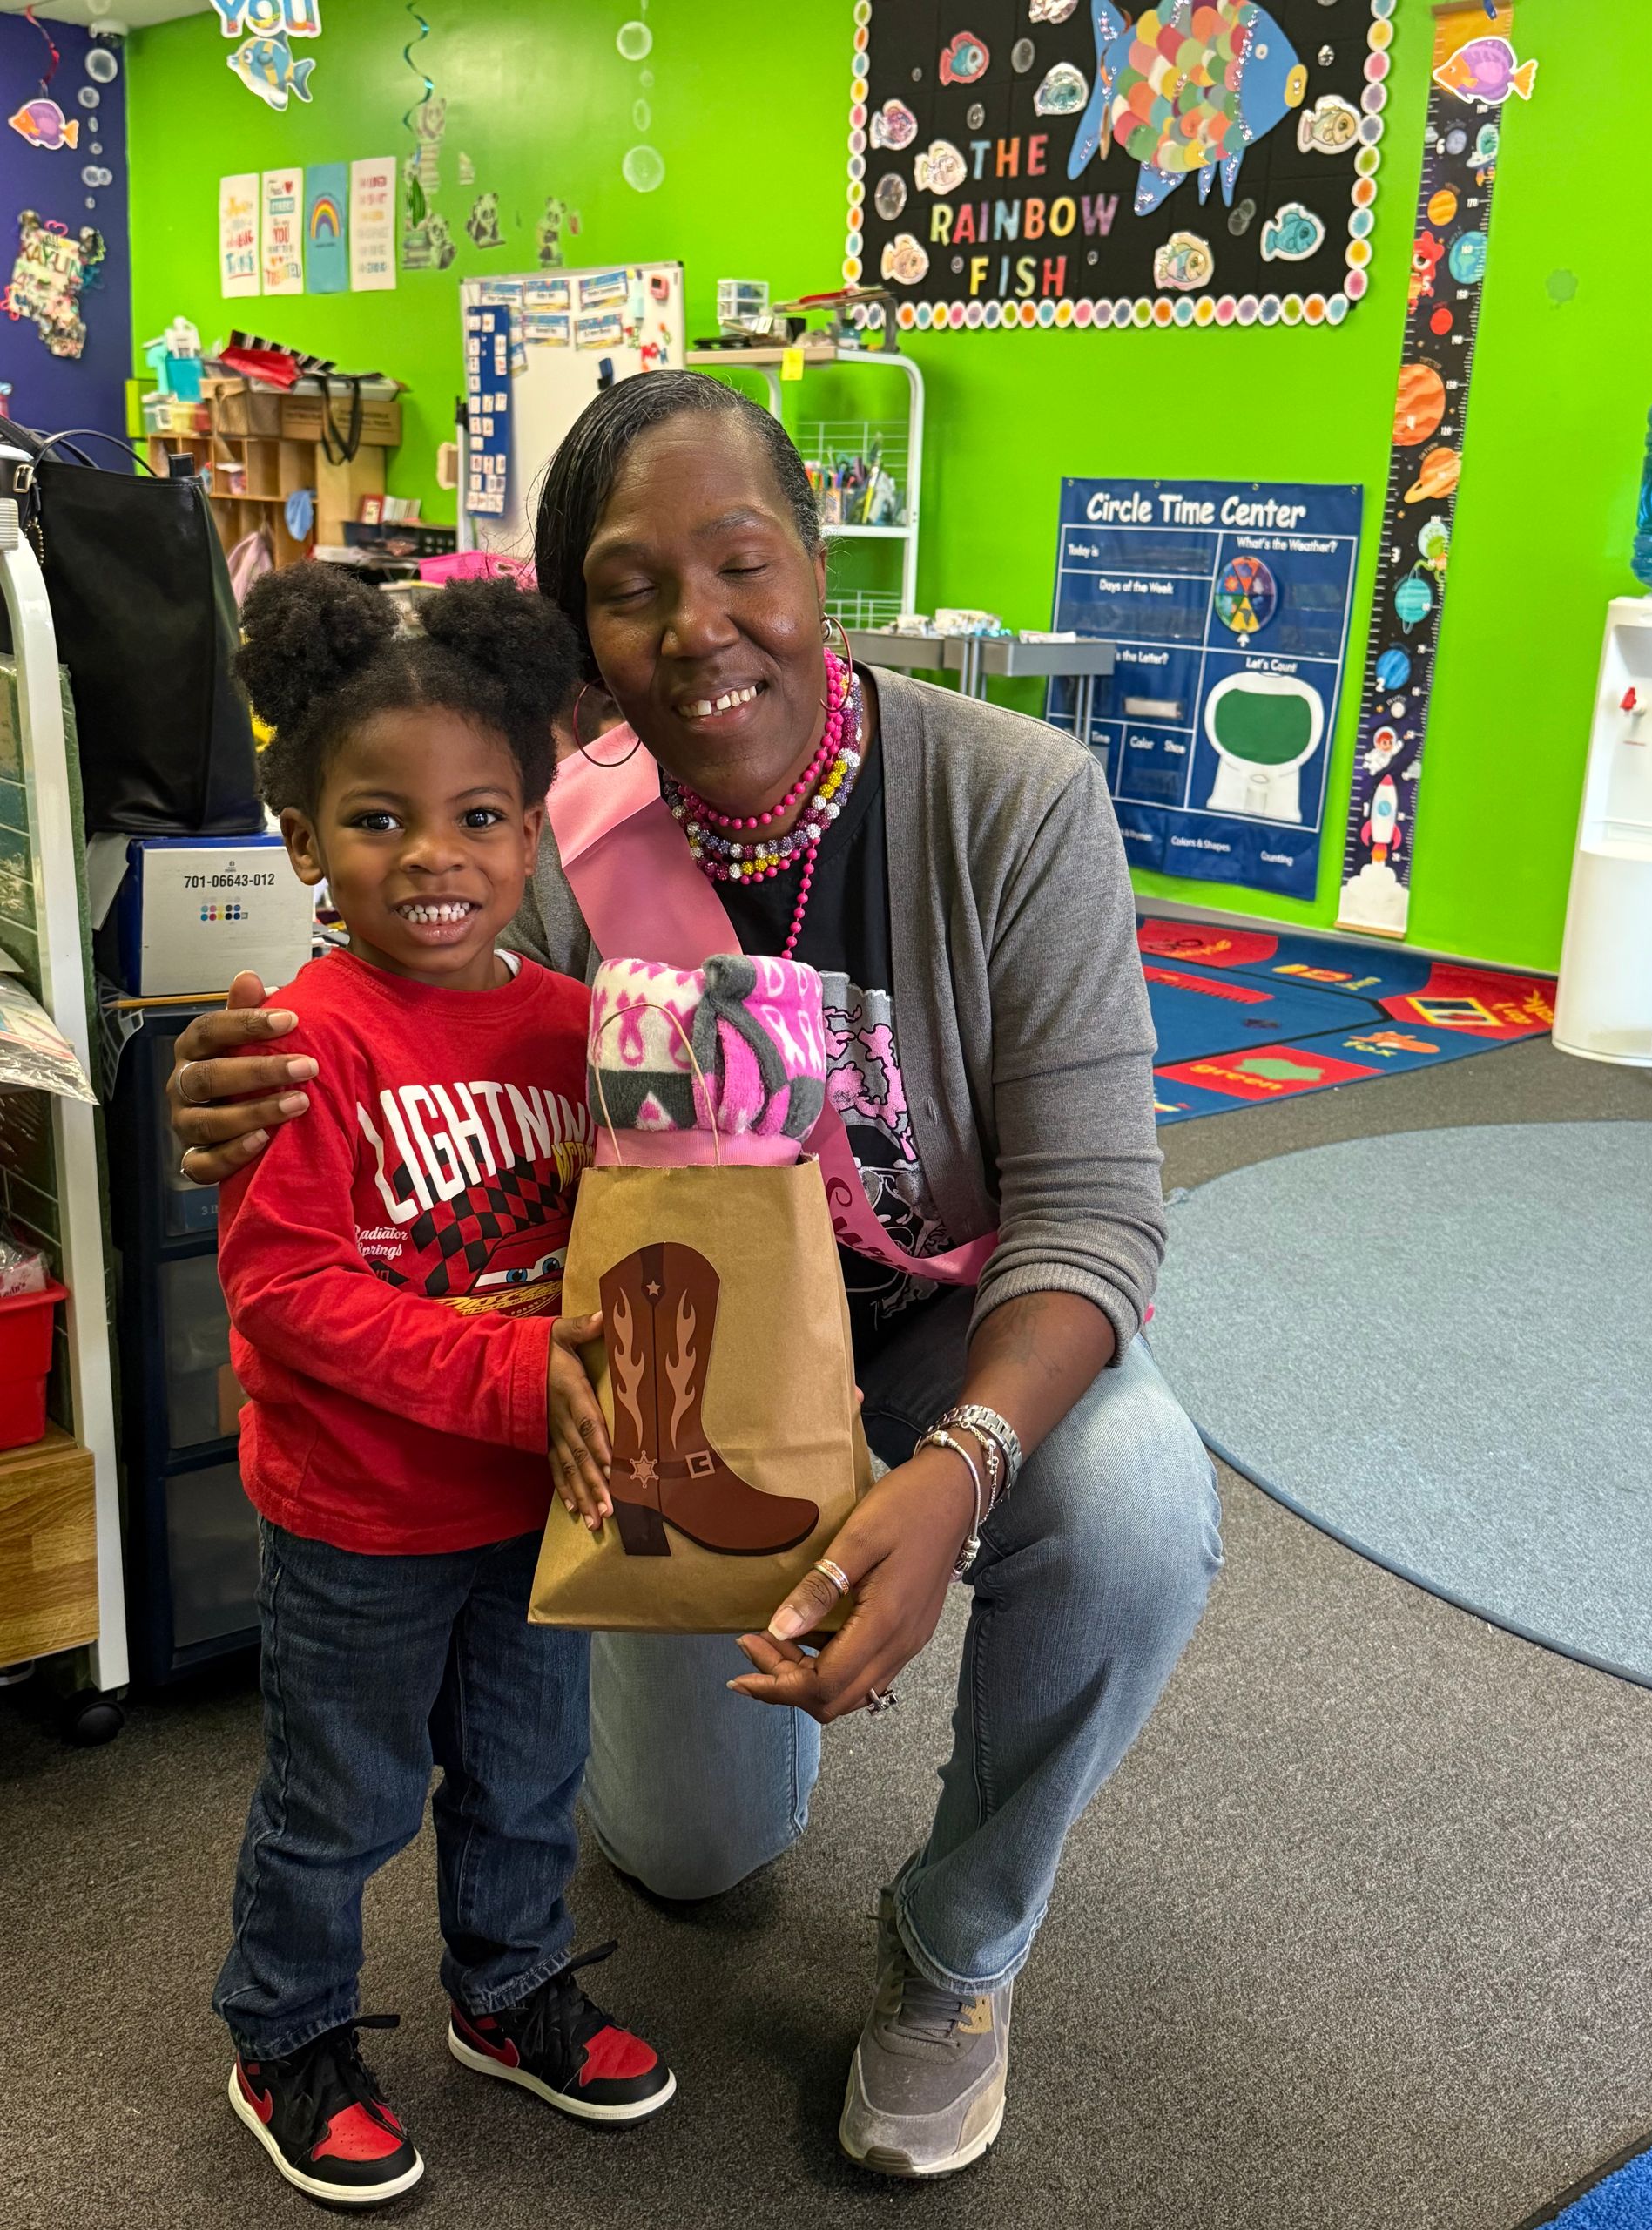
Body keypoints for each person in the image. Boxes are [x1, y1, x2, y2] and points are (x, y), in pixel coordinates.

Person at [172, 372, 1223, 2182]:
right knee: (690, 1854)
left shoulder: (1014, 799)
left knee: (1132, 1500)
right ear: (579, 634)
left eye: (742, 562)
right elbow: (394, 1036)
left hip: (938, 1332)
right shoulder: (550, 842)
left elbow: (1099, 1210)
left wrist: (956, 1458)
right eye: (633, 583)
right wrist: (245, 1082)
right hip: (654, 1391)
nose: (698, 624)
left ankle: (954, 1958)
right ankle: (395, 1987)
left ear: (818, 564)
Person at [211, 568, 673, 2209]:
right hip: (361, 1523)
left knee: (530, 1775)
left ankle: (508, 1986)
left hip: (539, 1514)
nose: (434, 857)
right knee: (336, 1798)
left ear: (535, 839)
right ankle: (288, 2031)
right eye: (377, 819)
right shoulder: (300, 1038)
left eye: (480, 815)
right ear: (303, 846)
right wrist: (516, 1366)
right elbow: (289, 1292)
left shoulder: (583, 1031)